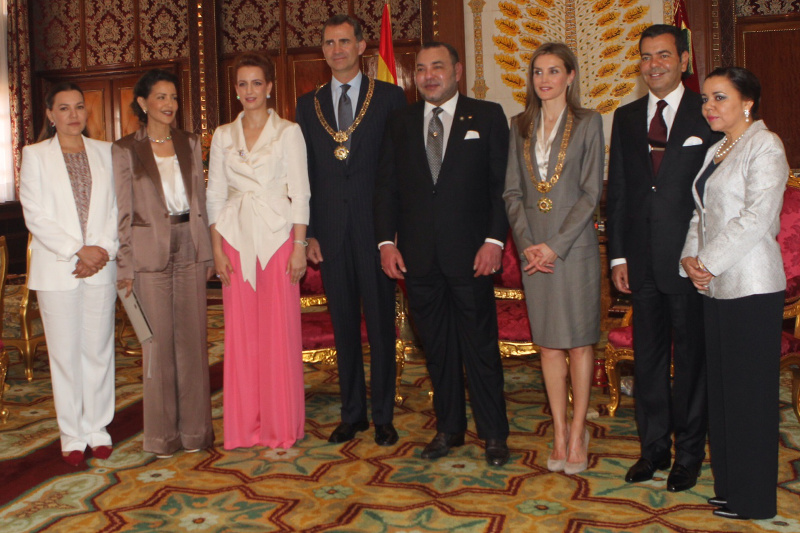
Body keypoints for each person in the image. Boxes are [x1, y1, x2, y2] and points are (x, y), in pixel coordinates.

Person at [376, 42, 511, 466]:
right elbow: (387, 189)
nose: (429, 75)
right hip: (417, 260)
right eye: (420, 69)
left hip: (472, 257)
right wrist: (385, 242)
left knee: (481, 349)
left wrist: (494, 242)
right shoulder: (399, 121)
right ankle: (449, 429)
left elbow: (500, 189)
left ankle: (493, 435)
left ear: (456, 70)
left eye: (437, 66)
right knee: (437, 350)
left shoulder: (487, 116)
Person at [606, 24, 718, 491]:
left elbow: (718, 195)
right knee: (648, 361)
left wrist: (707, 256)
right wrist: (617, 258)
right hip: (642, 263)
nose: (654, 64)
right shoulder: (627, 116)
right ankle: (653, 450)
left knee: (692, 361)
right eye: (647, 56)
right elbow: (620, 193)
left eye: (664, 55)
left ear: (684, 60)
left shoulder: (707, 112)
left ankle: (689, 456)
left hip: (691, 265)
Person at [680, 67, 788, 520]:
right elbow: (700, 217)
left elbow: (756, 218)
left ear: (747, 102)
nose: (709, 107)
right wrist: (689, 260)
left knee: (751, 397)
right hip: (716, 288)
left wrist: (708, 261)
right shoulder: (717, 149)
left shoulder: (766, 145)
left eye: (719, 97)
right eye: (705, 98)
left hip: (752, 285)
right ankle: (730, 488)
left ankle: (755, 499)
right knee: (724, 395)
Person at [295, 14, 407, 446]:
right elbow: (303, 175)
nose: (337, 49)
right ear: (322, 51)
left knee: (380, 326)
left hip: (377, 233)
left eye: (345, 41)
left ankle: (383, 415)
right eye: (329, 42)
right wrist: (309, 235)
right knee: (343, 326)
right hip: (330, 235)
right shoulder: (308, 105)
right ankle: (352, 413)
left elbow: (399, 169)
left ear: (363, 46)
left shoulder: (391, 97)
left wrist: (395, 233)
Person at [503, 42, 604, 475]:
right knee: (547, 345)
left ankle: (579, 429)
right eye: (538, 72)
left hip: (573, 250)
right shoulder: (519, 124)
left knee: (580, 344)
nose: (544, 80)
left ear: (570, 77)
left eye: (553, 71)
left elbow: (590, 193)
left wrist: (554, 246)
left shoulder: (588, 123)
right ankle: (559, 431)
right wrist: (528, 243)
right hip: (533, 251)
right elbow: (511, 192)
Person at [207, 52, 309, 450]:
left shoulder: (288, 132)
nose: (249, 91)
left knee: (278, 334)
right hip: (233, 240)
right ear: (236, 90)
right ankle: (245, 427)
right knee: (242, 337)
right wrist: (216, 249)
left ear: (269, 87)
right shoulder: (222, 135)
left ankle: (279, 426)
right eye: (242, 84)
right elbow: (214, 195)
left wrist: (299, 247)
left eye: (256, 83)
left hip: (277, 237)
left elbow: (300, 193)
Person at [113, 69, 214, 458]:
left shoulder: (189, 142)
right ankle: (161, 438)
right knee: (157, 345)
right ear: (143, 103)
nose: (169, 104)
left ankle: (195, 434)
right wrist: (124, 266)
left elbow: (201, 203)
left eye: (173, 97)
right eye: (160, 97)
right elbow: (122, 212)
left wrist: (206, 252)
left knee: (192, 343)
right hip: (147, 253)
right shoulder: (124, 149)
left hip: (189, 245)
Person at [19, 82, 118, 467]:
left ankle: (98, 429)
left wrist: (101, 251)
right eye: (64, 108)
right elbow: (35, 214)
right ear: (50, 114)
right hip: (58, 268)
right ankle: (72, 435)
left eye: (79, 107)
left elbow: (117, 208)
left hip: (100, 266)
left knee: (98, 350)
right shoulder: (35, 155)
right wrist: (77, 251)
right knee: (64, 355)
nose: (73, 115)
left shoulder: (107, 152)